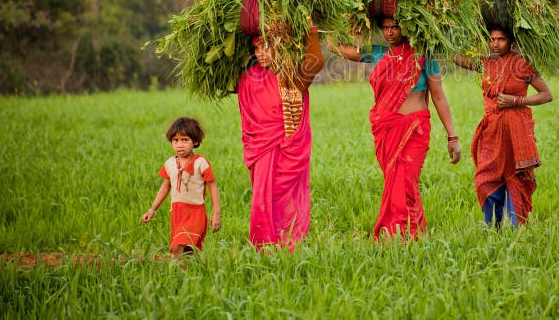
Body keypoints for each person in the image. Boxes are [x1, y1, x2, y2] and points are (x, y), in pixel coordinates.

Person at [332, 17, 461, 239]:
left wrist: (452, 136)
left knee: (407, 181)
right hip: (387, 129)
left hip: (414, 129)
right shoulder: (378, 52)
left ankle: (407, 234)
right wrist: (336, 21)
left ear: (407, 27)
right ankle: (404, 234)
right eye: (385, 28)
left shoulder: (424, 55)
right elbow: (338, 49)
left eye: (395, 27)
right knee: (395, 183)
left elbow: (439, 98)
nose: (390, 32)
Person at [454, 25, 552, 227]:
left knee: (515, 178)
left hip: (516, 131)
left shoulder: (522, 65)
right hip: (492, 130)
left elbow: (546, 95)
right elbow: (456, 58)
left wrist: (516, 101)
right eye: (492, 39)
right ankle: (492, 227)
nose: (495, 44)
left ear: (512, 42)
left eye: (501, 39)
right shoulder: (486, 64)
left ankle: (517, 228)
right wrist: (438, 36)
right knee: (484, 179)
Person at [237, 26, 324, 250]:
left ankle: (289, 246)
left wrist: (309, 30)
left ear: (281, 47)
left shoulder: (292, 77)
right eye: (257, 49)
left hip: (288, 150)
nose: (260, 54)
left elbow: (315, 62)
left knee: (285, 201)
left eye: (267, 48)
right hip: (261, 150)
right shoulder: (249, 78)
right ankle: (264, 246)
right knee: (261, 200)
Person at [142, 117, 221, 255]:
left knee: (177, 248)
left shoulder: (201, 163)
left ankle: (177, 274)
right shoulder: (170, 163)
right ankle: (189, 275)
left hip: (195, 213)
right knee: (188, 252)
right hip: (177, 213)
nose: (180, 145)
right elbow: (165, 187)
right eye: (175, 141)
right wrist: (152, 209)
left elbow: (212, 187)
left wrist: (216, 214)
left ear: (195, 141)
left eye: (185, 140)